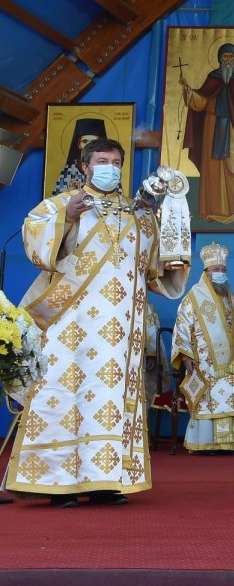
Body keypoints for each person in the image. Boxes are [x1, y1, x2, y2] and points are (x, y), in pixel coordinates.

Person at [5, 138, 190, 506]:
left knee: (109, 401)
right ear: (85, 166)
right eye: (102, 161)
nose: (110, 167)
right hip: (69, 329)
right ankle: (58, 485)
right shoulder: (60, 204)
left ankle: (105, 482)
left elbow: (156, 271)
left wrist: (174, 220)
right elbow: (35, 243)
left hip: (120, 335)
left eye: (117, 161)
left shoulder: (139, 213)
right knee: (64, 397)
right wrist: (68, 217)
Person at [171, 243, 234, 453]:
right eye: (216, 270)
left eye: (223, 270)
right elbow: (181, 327)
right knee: (208, 401)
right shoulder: (193, 298)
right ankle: (204, 444)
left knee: (231, 398)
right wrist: (186, 356)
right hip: (205, 361)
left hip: (233, 363)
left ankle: (230, 444)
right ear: (206, 272)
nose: (220, 274)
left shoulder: (233, 300)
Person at [180, 42, 234, 224]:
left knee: (232, 168)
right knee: (212, 170)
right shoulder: (213, 77)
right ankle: (210, 211)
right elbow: (202, 101)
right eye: (225, 56)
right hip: (211, 126)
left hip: (232, 129)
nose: (227, 60)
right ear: (219, 58)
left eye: (230, 57)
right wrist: (188, 92)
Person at [53, 117, 107, 195]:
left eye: (94, 142)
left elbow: (117, 199)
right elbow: (57, 198)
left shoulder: (107, 170)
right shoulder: (69, 170)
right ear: (79, 145)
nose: (88, 145)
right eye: (85, 141)